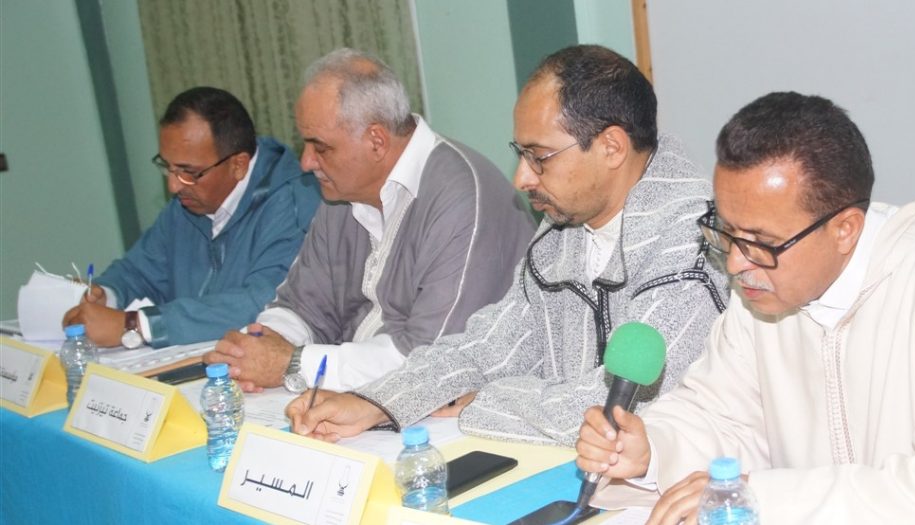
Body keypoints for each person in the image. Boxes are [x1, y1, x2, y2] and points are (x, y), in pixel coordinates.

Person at [575, 92, 915, 524]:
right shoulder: (763, 290)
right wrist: (652, 450)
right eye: (727, 232)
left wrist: (765, 497)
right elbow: (721, 414)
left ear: (844, 230)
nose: (737, 263)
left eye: (761, 242)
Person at [284, 45, 729, 446]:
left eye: (539, 156)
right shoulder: (563, 226)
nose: (522, 178)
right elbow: (491, 344)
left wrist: (484, 400)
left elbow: (617, 407)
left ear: (611, 147)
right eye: (521, 154)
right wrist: (378, 401)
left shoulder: (696, 241)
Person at [203, 48, 536, 394]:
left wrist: (294, 363)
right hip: (356, 395)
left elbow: (433, 360)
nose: (306, 162)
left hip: (449, 404)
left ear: (376, 141)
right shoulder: (342, 191)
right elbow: (302, 304)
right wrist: (259, 345)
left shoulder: (462, 196)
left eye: (321, 148)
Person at [63, 87, 320, 348]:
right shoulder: (189, 201)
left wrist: (137, 324)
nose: (174, 186)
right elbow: (140, 270)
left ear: (238, 165)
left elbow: (266, 302)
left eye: (189, 172)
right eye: (167, 167)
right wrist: (106, 294)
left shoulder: (294, 204)